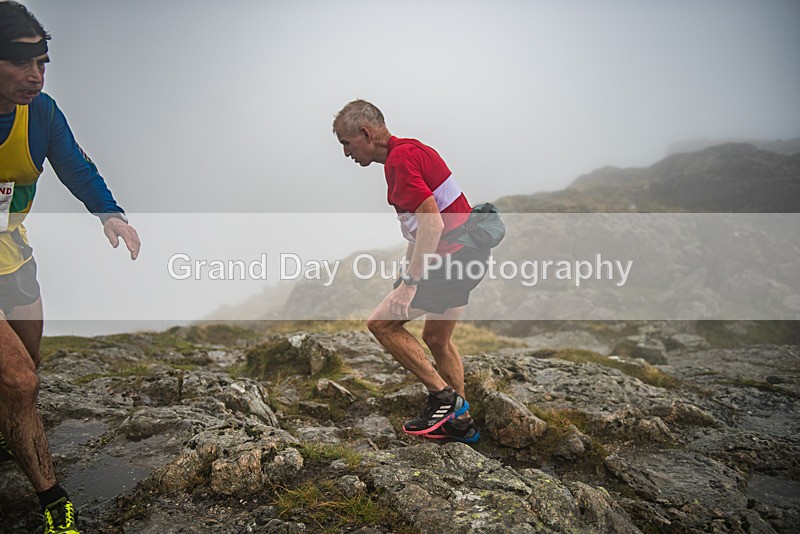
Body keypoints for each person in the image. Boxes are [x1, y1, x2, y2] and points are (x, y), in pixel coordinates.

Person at [0, 2, 140, 533]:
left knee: (25, 376)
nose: (36, 76)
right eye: (22, 63)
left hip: (12, 255)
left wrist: (111, 215)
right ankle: (54, 505)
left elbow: (75, 165)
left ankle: (10, 434)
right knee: (18, 381)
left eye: (44, 63)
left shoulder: (41, 113)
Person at [333, 99, 488, 444]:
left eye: (346, 143)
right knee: (436, 339)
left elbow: (431, 221)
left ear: (365, 133)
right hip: (470, 255)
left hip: (453, 260)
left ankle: (444, 399)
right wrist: (407, 270)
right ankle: (460, 424)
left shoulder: (399, 161)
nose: (346, 153)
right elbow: (422, 227)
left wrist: (410, 284)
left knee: (381, 324)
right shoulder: (413, 150)